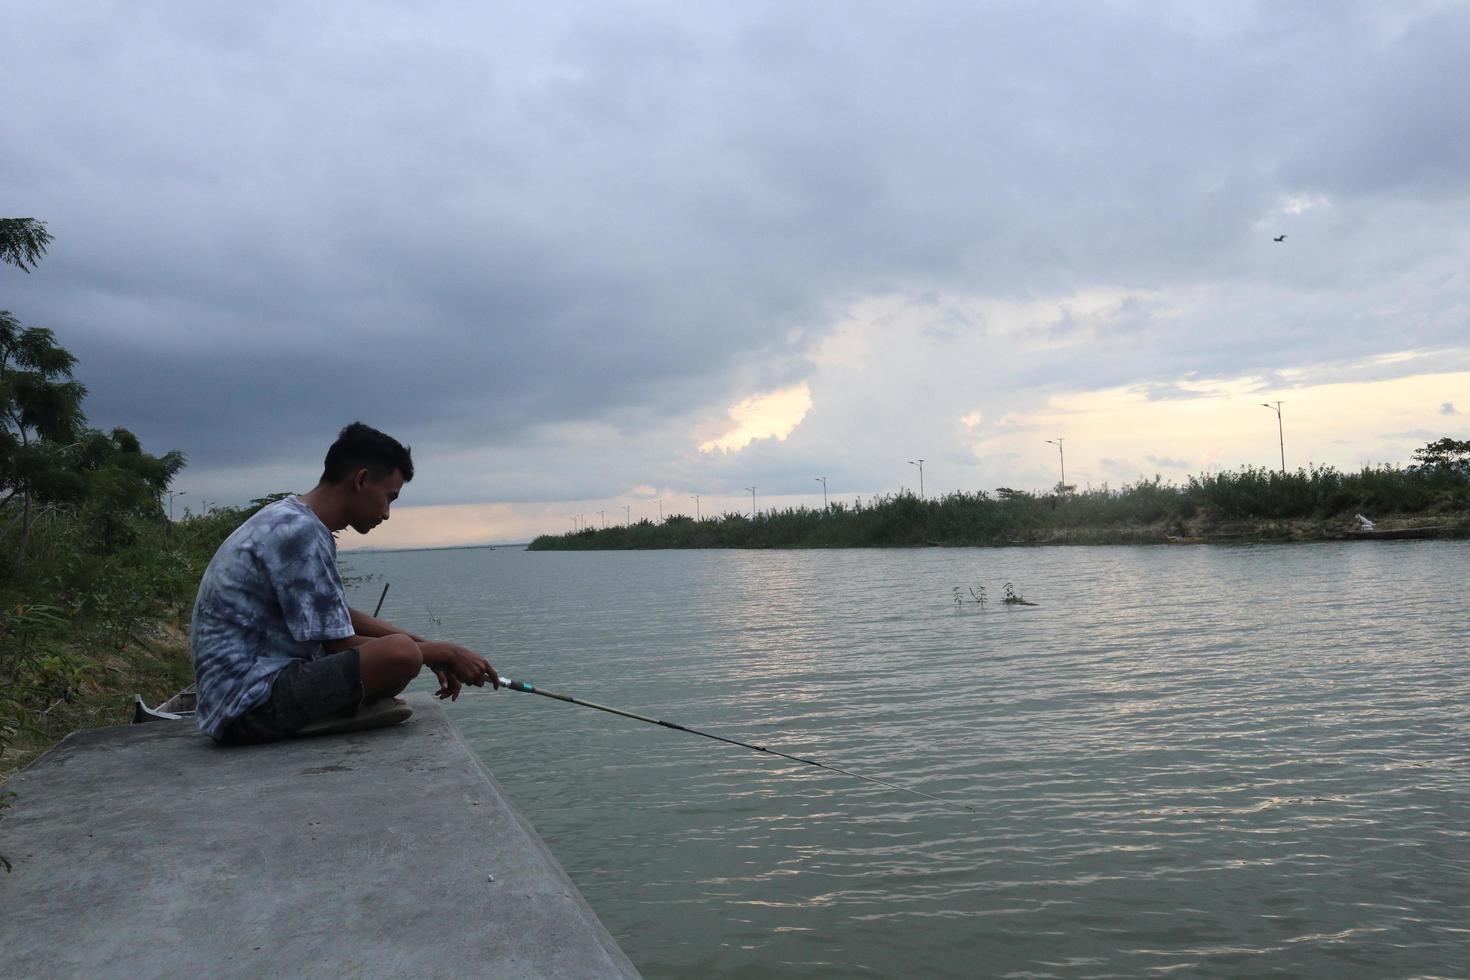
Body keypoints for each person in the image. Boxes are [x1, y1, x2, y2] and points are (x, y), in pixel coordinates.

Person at [191, 422, 498, 744]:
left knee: (405, 647)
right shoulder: (302, 532)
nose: (388, 513)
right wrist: (441, 652)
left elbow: (336, 616)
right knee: (401, 655)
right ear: (362, 480)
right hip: (250, 705)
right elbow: (339, 643)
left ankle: (335, 711)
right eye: (389, 497)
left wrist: (425, 644)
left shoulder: (289, 519)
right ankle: (327, 716)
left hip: (234, 701)